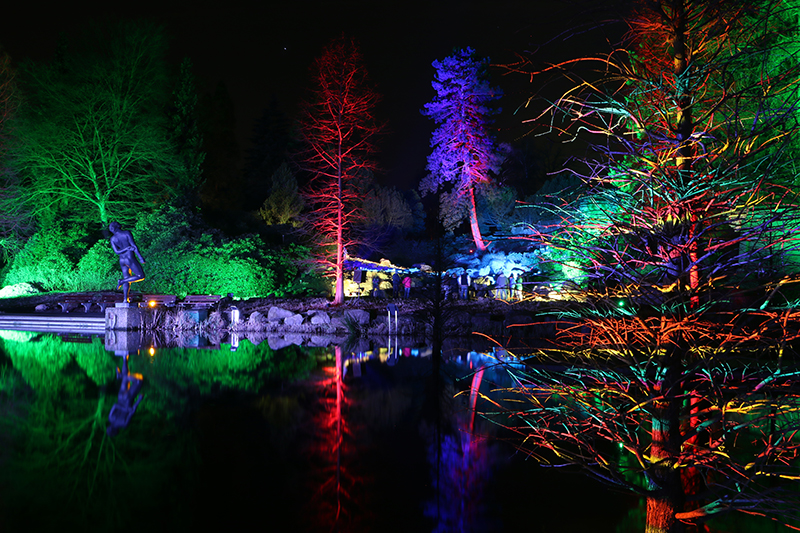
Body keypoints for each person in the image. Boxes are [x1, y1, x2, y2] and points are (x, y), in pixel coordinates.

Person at [109, 221, 145, 303]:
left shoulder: (113, 238)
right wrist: (140, 257)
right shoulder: (126, 233)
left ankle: (125, 299)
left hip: (122, 260)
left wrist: (125, 249)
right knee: (141, 276)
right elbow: (134, 246)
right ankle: (122, 281)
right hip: (130, 258)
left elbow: (117, 252)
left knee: (127, 278)